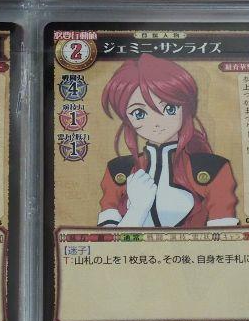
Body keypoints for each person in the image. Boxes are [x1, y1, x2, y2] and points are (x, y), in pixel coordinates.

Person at [98, 53, 237, 228]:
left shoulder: (213, 168)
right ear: (127, 118)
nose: (156, 122)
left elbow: (225, 235)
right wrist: (137, 210)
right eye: (139, 113)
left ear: (185, 108)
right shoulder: (118, 170)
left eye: (170, 108)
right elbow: (107, 240)